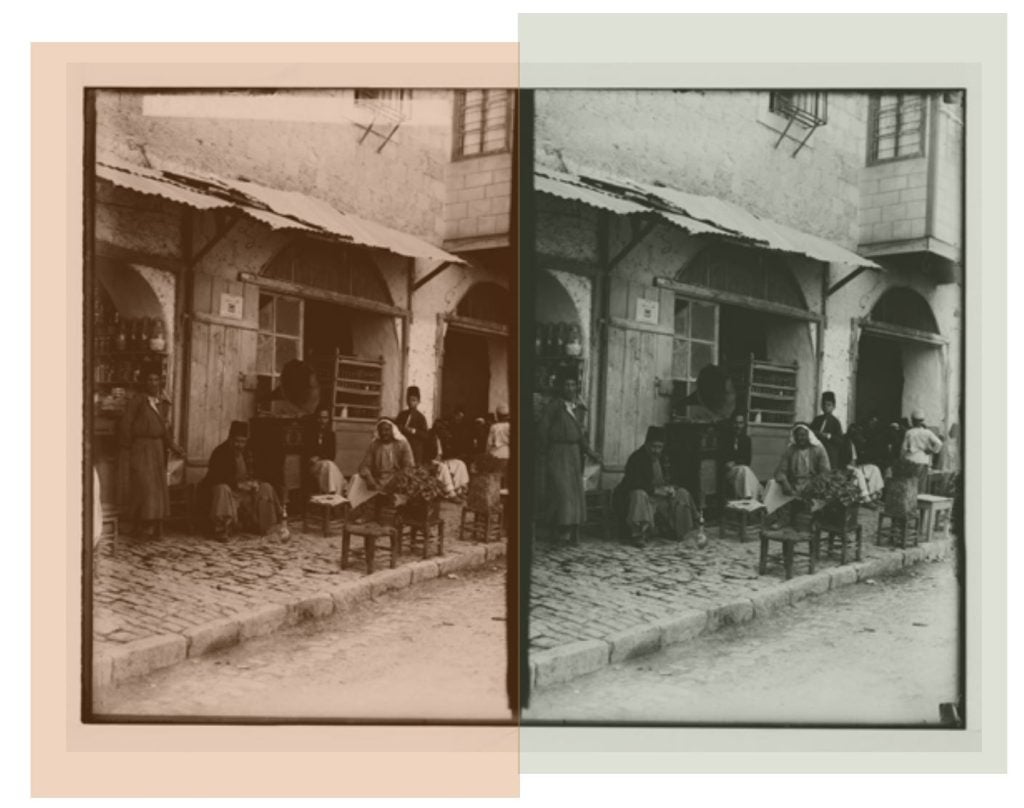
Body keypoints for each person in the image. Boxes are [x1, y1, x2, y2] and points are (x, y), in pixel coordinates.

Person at [118, 371, 183, 539]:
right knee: (144, 486)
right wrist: (127, 447)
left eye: (156, 379)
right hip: (141, 446)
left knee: (157, 489)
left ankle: (155, 527)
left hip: (157, 448)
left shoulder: (161, 403)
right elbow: (126, 422)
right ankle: (143, 525)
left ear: (160, 382)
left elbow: (165, 429)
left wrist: (173, 446)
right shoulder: (138, 400)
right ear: (144, 382)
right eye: (149, 379)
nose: (153, 383)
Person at [537, 374, 600, 546]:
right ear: (560, 387)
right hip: (557, 452)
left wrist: (589, 451)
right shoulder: (554, 406)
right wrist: (544, 453)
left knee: (574, 494)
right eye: (566, 384)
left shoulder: (578, 407)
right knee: (561, 492)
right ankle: (559, 531)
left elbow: (580, 435)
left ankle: (572, 530)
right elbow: (543, 430)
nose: (570, 388)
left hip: (574, 454)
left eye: (573, 384)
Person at [613, 426, 700, 547]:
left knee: (682, 493)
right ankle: (638, 535)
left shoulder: (665, 458)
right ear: (647, 444)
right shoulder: (636, 458)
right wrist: (656, 490)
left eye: (659, 447)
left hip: (660, 499)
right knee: (639, 494)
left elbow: (672, 478)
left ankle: (684, 533)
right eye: (653, 446)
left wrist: (671, 488)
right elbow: (633, 483)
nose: (656, 450)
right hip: (640, 499)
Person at [202, 420, 286, 540]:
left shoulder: (248, 452)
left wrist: (256, 482)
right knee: (222, 489)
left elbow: (257, 472)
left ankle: (266, 526)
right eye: (237, 441)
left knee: (266, 487)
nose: (240, 445)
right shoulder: (220, 452)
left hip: (246, 492)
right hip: (228, 492)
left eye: (243, 442)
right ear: (230, 439)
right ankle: (221, 529)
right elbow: (216, 477)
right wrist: (239, 485)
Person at [763, 423, 832, 520]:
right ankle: (782, 519)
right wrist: (785, 482)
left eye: (803, 435)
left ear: (808, 435)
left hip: (812, 484)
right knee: (773, 483)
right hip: (793, 483)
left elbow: (825, 473)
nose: (800, 438)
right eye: (798, 435)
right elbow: (780, 471)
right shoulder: (790, 450)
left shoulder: (818, 450)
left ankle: (813, 520)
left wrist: (814, 484)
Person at [357, 417, 415, 493]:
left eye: (387, 430)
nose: (383, 433)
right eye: (381, 430)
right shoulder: (374, 445)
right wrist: (369, 477)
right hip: (377, 482)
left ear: (393, 430)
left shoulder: (402, 444)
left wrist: (395, 481)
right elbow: (364, 466)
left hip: (397, 483)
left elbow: (408, 467)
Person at [718, 411, 762, 500]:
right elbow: (721, 457)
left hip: (740, 472)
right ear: (732, 423)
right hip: (728, 472)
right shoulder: (724, 438)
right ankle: (755, 493)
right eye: (736, 423)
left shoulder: (746, 439)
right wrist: (728, 464)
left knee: (744, 470)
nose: (738, 426)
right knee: (745, 470)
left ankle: (747, 495)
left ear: (744, 424)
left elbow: (747, 460)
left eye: (740, 423)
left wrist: (735, 462)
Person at [303, 408, 345, 495]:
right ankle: (339, 488)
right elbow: (305, 451)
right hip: (312, 466)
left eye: (325, 418)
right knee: (330, 465)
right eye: (321, 418)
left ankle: (331, 490)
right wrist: (311, 458)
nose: (323, 421)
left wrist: (319, 457)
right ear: (317, 419)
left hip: (324, 465)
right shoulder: (309, 433)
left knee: (328, 465)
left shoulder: (330, 435)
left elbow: (332, 455)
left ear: (328, 420)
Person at [844, 424, 885, 504]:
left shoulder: (857, 444)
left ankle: (874, 494)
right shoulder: (845, 442)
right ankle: (866, 498)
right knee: (858, 472)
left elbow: (858, 459)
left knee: (874, 468)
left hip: (855, 466)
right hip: (845, 467)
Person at [902, 408, 943, 487]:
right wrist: (932, 451)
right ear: (922, 421)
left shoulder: (909, 432)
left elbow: (903, 448)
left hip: (910, 460)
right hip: (923, 460)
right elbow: (939, 443)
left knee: (910, 484)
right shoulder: (927, 432)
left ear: (912, 420)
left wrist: (902, 459)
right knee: (921, 485)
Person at [395, 385, 430, 465]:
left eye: (414, 400)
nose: (411, 403)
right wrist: (400, 428)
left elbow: (425, 435)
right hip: (402, 447)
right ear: (407, 401)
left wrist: (413, 431)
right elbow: (395, 428)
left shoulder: (421, 417)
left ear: (418, 401)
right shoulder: (402, 415)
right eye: (409, 400)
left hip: (415, 449)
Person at [810, 391, 844, 470]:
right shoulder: (817, 420)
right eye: (824, 404)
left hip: (830, 453)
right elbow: (810, 433)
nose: (826, 407)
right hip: (817, 452)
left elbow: (840, 440)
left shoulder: (835, 422)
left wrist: (828, 436)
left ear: (833, 407)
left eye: (829, 405)